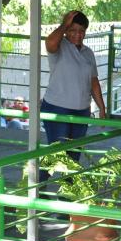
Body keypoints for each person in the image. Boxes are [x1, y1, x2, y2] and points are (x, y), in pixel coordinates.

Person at [40, 10, 106, 165]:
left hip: (82, 111)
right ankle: (40, 187)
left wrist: (102, 108)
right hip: (57, 108)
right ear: (66, 31)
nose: (77, 34)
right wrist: (64, 25)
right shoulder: (60, 45)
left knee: (73, 157)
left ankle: (70, 187)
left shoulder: (88, 53)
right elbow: (49, 42)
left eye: (81, 31)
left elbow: (94, 82)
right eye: (73, 30)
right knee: (57, 155)